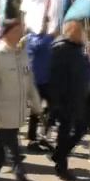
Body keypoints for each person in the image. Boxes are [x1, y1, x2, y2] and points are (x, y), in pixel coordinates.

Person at [0, 19, 41, 181]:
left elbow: (29, 81)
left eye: (21, 30)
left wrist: (36, 103)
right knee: (13, 149)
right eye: (15, 30)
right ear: (5, 33)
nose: (20, 33)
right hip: (3, 111)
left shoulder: (21, 54)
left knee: (0, 146)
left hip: (18, 109)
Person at [50, 21, 90, 181]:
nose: (83, 34)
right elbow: (55, 77)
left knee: (81, 129)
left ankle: (58, 154)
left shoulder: (78, 50)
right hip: (65, 100)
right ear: (71, 32)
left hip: (78, 97)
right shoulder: (60, 49)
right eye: (80, 31)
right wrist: (56, 102)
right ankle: (61, 167)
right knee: (65, 133)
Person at [25, 21, 55, 152]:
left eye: (46, 22)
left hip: (48, 80)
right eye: (43, 22)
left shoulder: (49, 38)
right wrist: (51, 37)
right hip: (35, 81)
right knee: (35, 112)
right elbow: (38, 46)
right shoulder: (30, 38)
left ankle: (44, 134)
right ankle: (32, 139)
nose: (44, 25)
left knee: (54, 108)